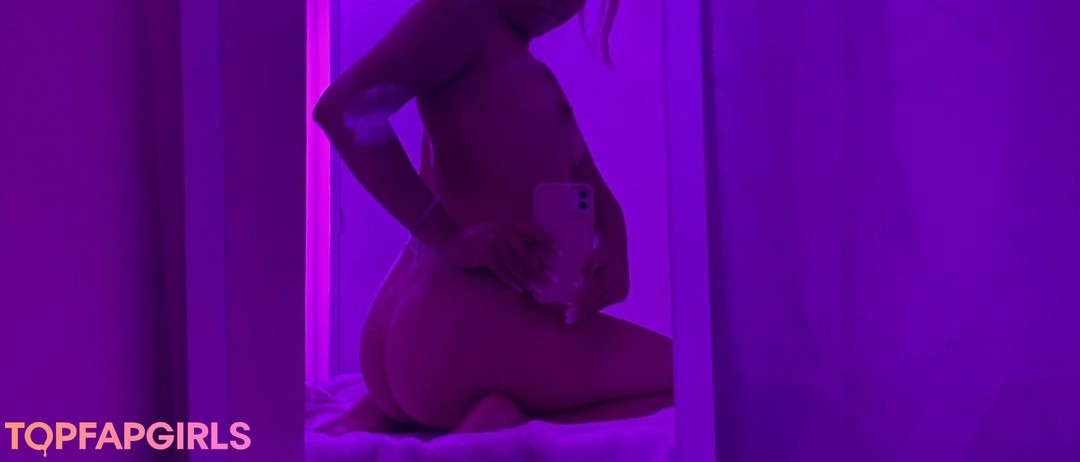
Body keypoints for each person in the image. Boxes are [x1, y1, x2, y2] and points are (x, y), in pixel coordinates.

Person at [313, 0, 672, 434]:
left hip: (430, 340)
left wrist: (615, 251)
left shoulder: (519, 69)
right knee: (694, 381)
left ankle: (452, 409)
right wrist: (450, 238)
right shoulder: (464, 14)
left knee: (694, 379)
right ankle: (506, 421)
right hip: (455, 335)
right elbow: (346, 108)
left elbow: (592, 189)